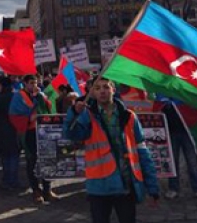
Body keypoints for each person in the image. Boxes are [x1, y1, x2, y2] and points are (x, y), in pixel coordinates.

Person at [63, 78, 159, 223]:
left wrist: (152, 187)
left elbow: (142, 152)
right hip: (99, 187)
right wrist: (74, 112)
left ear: (113, 90)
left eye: (106, 87)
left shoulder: (129, 117)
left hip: (125, 185)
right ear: (92, 93)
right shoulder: (87, 116)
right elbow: (70, 134)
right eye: (97, 88)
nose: (102, 91)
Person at [9, 74, 56, 204]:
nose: (34, 85)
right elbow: (13, 115)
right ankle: (36, 190)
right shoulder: (18, 96)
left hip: (44, 131)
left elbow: (48, 108)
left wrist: (42, 99)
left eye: (36, 82)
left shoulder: (40, 95)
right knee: (32, 161)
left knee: (47, 159)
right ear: (24, 83)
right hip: (30, 132)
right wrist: (29, 118)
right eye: (31, 83)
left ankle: (48, 189)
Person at [162, 101, 197, 201]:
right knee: (173, 162)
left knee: (192, 162)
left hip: (188, 132)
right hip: (172, 131)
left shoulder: (186, 95)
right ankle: (173, 188)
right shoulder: (164, 96)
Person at [0, 76, 22, 189]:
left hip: (2, 131)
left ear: (1, 85)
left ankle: (7, 180)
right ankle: (13, 180)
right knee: (14, 155)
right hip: (17, 129)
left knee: (5, 156)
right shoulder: (17, 96)